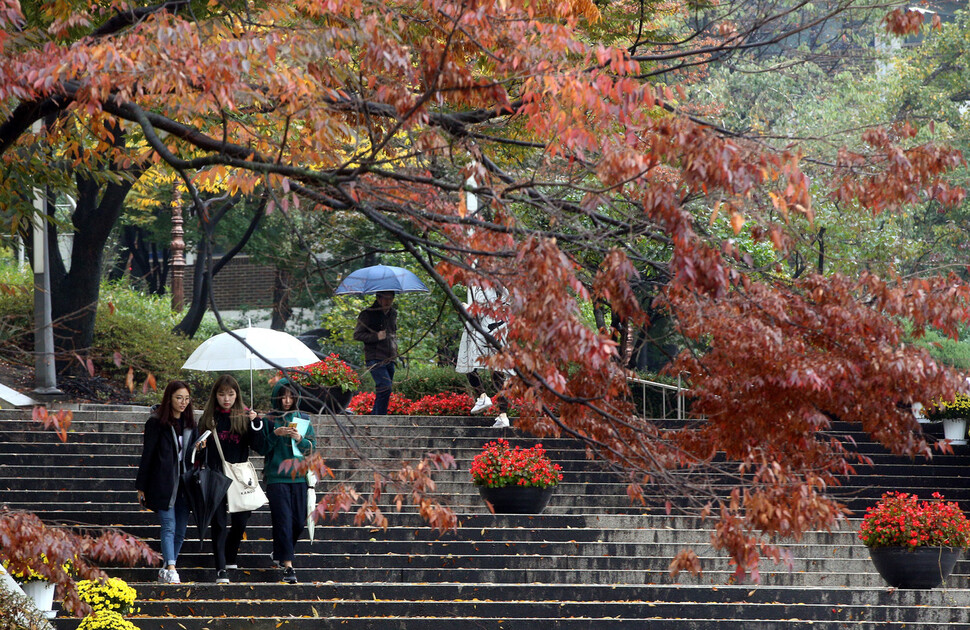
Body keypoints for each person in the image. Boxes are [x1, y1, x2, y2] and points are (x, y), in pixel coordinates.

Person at [195, 374, 259, 584]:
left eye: (230, 394)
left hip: (240, 476)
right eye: (222, 394)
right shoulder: (209, 418)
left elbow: (258, 446)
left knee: (241, 520)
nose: (226, 398)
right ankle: (221, 567)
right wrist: (200, 448)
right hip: (215, 475)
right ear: (215, 395)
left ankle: (231, 554)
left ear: (236, 395)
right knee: (219, 523)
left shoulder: (243, 417)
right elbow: (198, 447)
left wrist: (256, 423)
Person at [254, 378, 315, 584]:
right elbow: (261, 448)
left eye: (291, 396)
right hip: (276, 478)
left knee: (298, 521)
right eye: (283, 396)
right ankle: (288, 567)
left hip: (299, 478)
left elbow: (311, 450)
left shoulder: (303, 418)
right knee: (283, 521)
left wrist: (299, 439)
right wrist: (275, 434)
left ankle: (280, 552)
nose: (287, 400)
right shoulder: (269, 419)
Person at [135, 380, 197, 584]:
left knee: (180, 529)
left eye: (186, 399)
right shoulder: (156, 423)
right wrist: (141, 486)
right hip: (163, 482)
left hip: (185, 484)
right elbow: (148, 455)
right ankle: (171, 567)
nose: (183, 402)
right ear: (169, 398)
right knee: (168, 525)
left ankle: (168, 567)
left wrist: (201, 447)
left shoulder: (190, 424)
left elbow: (193, 457)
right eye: (179, 398)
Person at [456, 284, 510, 428]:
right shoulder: (503, 286)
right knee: (498, 374)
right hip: (500, 332)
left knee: (467, 362)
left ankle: (482, 396)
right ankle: (503, 415)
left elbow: (478, 311)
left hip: (482, 331)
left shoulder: (478, 285)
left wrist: (465, 307)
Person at [353, 290, 398, 415]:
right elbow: (357, 335)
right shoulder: (367, 314)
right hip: (375, 357)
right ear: (378, 299)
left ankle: (376, 417)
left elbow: (393, 333)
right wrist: (376, 336)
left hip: (390, 357)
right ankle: (380, 417)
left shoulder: (393, 313)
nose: (388, 301)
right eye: (385, 298)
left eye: (390, 298)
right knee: (385, 386)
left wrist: (396, 350)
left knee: (384, 389)